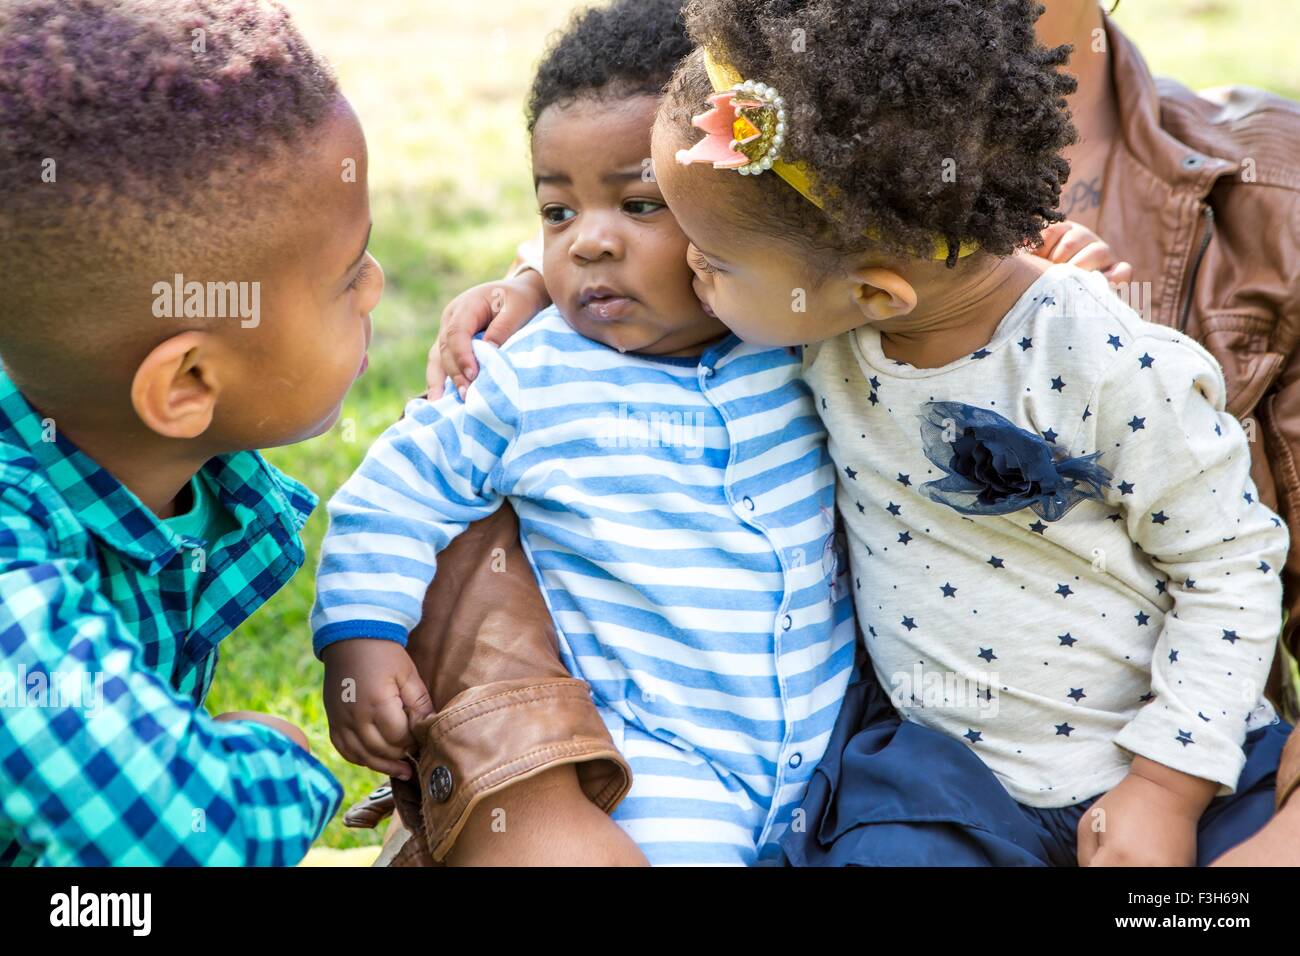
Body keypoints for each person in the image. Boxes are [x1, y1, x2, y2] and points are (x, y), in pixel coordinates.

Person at [401, 0, 1300, 865]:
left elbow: (1228, 565)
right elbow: (678, 179)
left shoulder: (1102, 361)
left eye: (703, 261)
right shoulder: (823, 298)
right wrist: (535, 278)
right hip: (932, 778)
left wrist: (1168, 787)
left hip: (1172, 757)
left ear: (874, 298)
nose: (686, 273)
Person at [315, 0, 856, 865]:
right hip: (655, 762)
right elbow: (393, 492)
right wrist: (360, 638)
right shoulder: (528, 375)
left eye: (641, 205)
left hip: (836, 753)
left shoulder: (799, 340)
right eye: (556, 213)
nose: (589, 245)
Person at [0, 0, 383, 864]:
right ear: (189, 384)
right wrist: (272, 758)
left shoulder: (160, 460)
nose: (376, 287)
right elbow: (177, 836)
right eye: (347, 276)